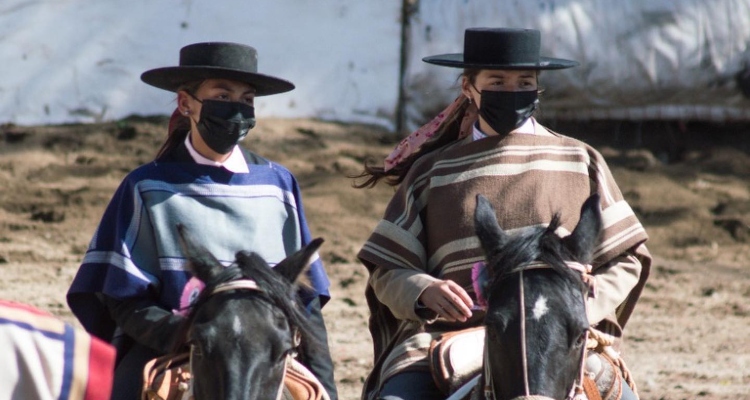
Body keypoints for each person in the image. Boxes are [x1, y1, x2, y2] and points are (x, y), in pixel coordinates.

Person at [355, 28, 651, 400]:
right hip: (448, 335)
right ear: (468, 88)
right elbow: (388, 270)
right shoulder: (432, 172)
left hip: (557, 335)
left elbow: (628, 258)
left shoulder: (581, 160)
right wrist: (423, 290)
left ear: (537, 89)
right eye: (497, 82)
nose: (512, 92)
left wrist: (581, 304)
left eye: (524, 82)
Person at [66, 42, 338, 400]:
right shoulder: (146, 186)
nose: (237, 110)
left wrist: (327, 385)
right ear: (186, 104)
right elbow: (121, 296)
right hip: (175, 342)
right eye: (223, 95)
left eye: (246, 100)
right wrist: (184, 333)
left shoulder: (277, 184)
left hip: (264, 346)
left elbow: (305, 301)